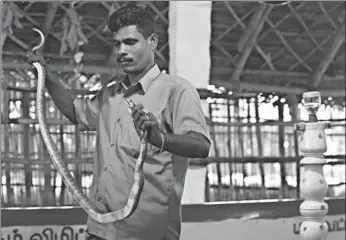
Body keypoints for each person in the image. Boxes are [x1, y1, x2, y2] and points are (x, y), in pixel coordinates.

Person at [27, 4, 211, 240]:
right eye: (117, 44)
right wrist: (45, 74)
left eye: (131, 42)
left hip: (148, 233)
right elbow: (75, 111)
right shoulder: (109, 95)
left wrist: (160, 139)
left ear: (152, 41)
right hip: (100, 228)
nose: (121, 50)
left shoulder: (177, 91)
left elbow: (201, 145)